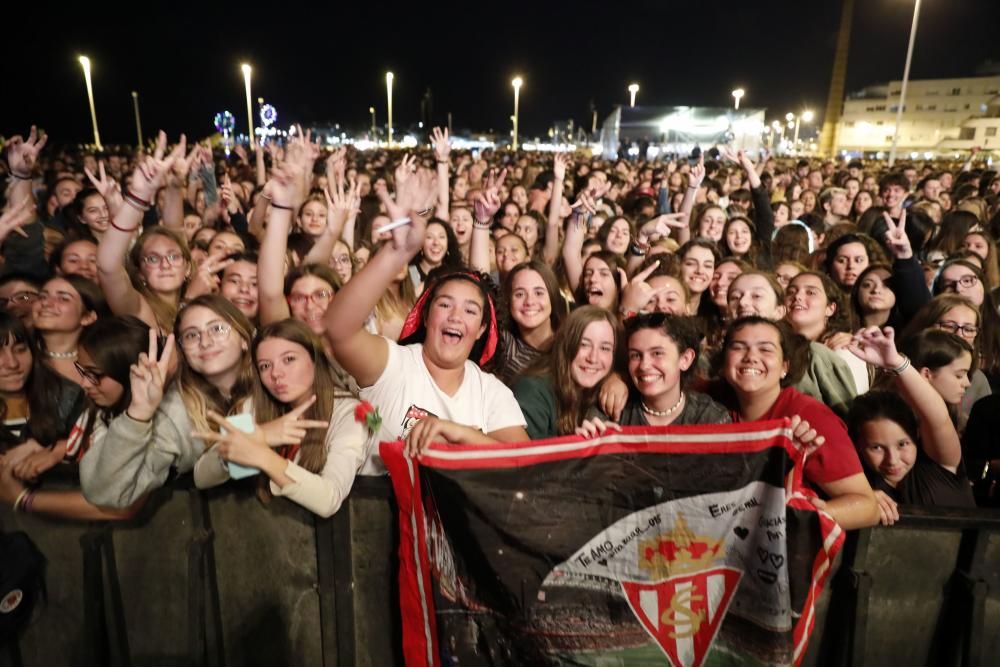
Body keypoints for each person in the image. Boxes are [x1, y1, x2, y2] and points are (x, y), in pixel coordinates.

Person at [321, 168, 527, 471]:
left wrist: (457, 432)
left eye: (470, 310)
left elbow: (524, 461)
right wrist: (397, 252)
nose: (456, 316)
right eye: (445, 305)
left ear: (482, 328)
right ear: (426, 315)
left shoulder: (490, 391)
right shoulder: (394, 365)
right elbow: (338, 330)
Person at [80, 295, 255, 508]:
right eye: (191, 335)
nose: (205, 342)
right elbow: (102, 492)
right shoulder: (175, 412)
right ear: (182, 351)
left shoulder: (276, 378)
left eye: (217, 329)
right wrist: (137, 414)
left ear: (244, 338)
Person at [193, 320, 367, 518]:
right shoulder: (253, 406)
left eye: (289, 359)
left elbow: (329, 500)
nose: (276, 374)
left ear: (314, 360)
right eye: (265, 366)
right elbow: (201, 477)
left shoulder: (348, 412)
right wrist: (260, 434)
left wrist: (260, 454)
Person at [718, 316, 878, 529]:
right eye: (738, 347)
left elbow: (868, 507)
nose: (751, 357)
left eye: (765, 350)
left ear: (785, 366)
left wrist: (811, 513)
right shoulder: (707, 405)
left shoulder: (809, 418)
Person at [0, 317, 148, 520]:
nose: (84, 384)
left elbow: (124, 505)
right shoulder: (97, 411)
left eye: (96, 374)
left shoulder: (154, 422)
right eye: (83, 372)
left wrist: (23, 498)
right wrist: (58, 448)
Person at [847, 326, 975, 524]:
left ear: (916, 434)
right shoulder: (858, 485)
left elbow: (938, 417)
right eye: (877, 447)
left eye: (902, 444)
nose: (893, 460)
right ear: (858, 445)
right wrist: (859, 501)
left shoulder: (941, 464)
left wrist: (897, 364)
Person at [726, 271, 857, 416]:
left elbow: (850, 421)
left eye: (757, 296)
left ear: (779, 310)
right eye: (735, 297)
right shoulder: (715, 361)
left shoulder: (815, 355)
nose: (743, 302)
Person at [585, 313, 729, 431]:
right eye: (635, 355)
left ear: (685, 359)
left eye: (657, 353)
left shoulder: (709, 417)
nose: (644, 366)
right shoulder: (610, 410)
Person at [513, 306, 620, 439]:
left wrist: (620, 379)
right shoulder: (533, 390)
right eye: (583, 344)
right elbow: (526, 455)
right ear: (565, 345)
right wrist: (572, 446)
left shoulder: (606, 387)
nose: (593, 358)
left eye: (605, 348)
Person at [496, 260, 567, 386]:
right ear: (508, 301)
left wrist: (613, 378)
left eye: (539, 293)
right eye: (520, 294)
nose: (529, 301)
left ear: (553, 296)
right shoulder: (504, 345)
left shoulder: (571, 342)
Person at [31, 275, 108, 385]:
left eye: (63, 299)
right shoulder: (20, 356)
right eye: (43, 296)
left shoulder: (102, 360)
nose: (46, 303)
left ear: (87, 317)